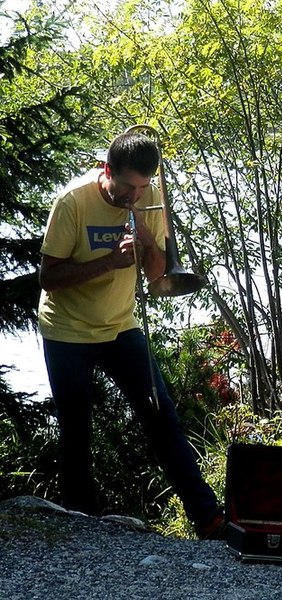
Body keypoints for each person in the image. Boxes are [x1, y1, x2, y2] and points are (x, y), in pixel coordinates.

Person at [38, 130, 225, 539]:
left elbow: (159, 277)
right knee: (76, 429)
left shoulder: (148, 199)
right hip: (67, 331)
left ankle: (208, 519)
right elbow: (49, 277)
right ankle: (83, 524)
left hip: (121, 326)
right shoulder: (73, 201)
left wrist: (146, 242)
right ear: (107, 171)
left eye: (142, 187)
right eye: (127, 187)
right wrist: (109, 262)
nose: (135, 196)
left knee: (163, 417)